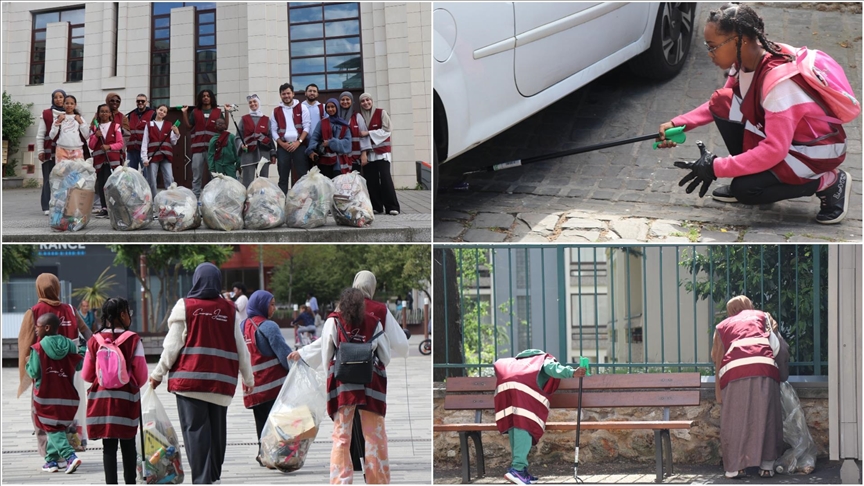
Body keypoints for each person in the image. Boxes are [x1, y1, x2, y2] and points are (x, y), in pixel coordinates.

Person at [658, 3, 852, 224]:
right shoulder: (744, 62)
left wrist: (716, 167)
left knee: (745, 190)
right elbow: (721, 104)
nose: (709, 53)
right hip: (789, 142)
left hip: (815, 151)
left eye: (713, 46)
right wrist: (678, 124)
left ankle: (830, 182)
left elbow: (774, 150)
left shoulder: (779, 87)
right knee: (722, 101)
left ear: (741, 41)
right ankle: (756, 176)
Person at [149, 262, 254, 485]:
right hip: (221, 384)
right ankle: (213, 476)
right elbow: (240, 346)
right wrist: (248, 378)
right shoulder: (228, 309)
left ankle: (203, 480)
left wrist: (157, 374)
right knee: (217, 434)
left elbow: (172, 346)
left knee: (195, 432)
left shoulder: (185, 306)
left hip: (190, 383)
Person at [290, 287, 403, 484]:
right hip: (370, 386)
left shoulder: (333, 321)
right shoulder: (373, 322)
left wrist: (332, 376)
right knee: (374, 437)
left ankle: (341, 481)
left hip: (343, 387)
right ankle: (378, 481)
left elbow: (326, 354)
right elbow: (385, 356)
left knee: (341, 437)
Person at [17, 273, 93, 465]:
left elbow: (25, 344)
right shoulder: (70, 309)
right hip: (71, 372)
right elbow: (88, 335)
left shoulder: (34, 312)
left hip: (45, 373)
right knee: (67, 412)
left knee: (43, 413)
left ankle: (52, 457)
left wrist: (27, 366)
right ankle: (66, 449)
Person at [712, 295, 789, 479]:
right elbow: (781, 348)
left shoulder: (722, 326)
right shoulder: (763, 317)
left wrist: (719, 390)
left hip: (734, 373)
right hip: (765, 369)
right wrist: (783, 375)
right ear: (749, 305)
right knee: (767, 415)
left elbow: (717, 356)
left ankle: (735, 467)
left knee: (734, 419)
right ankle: (767, 466)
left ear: (731, 310)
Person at [493, 350, 586, 485]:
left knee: (514, 425)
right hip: (524, 390)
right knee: (523, 424)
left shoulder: (515, 362)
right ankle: (518, 469)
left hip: (504, 391)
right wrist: (572, 372)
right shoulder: (542, 359)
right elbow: (553, 369)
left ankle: (521, 470)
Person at [82, 298, 148, 484]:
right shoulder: (133, 340)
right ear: (122, 314)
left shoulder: (94, 340)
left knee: (108, 446)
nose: (130, 316)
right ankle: (130, 482)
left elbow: (87, 375)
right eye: (129, 312)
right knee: (128, 444)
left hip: (102, 402)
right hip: (126, 401)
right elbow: (141, 376)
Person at [27, 312, 87, 474]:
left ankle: (70, 457)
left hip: (46, 397)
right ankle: (51, 461)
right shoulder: (69, 344)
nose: (35, 329)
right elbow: (79, 366)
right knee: (58, 427)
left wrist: (27, 363)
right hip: (67, 395)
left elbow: (34, 372)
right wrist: (83, 349)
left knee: (51, 427)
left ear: (47, 327)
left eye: (38, 326)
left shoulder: (38, 348)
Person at [240, 290, 292, 466]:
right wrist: (297, 369)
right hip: (273, 386)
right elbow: (284, 354)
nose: (274, 308)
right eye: (271, 304)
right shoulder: (269, 327)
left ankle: (263, 454)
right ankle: (277, 455)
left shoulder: (243, 326)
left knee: (261, 421)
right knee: (277, 422)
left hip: (253, 387)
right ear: (262, 305)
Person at [358, 93, 400, 215]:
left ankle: (392, 206)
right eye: (362, 101)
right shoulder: (360, 116)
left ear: (372, 101)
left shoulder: (381, 112)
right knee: (372, 180)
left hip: (382, 153)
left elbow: (387, 130)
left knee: (386, 178)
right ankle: (377, 206)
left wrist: (369, 133)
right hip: (369, 154)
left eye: (368, 100)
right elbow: (359, 135)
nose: (365, 103)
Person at [182, 90, 230, 197]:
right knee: (196, 177)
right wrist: (184, 113)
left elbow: (225, 126)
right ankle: (196, 199)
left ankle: (214, 199)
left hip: (213, 150)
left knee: (214, 176)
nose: (206, 97)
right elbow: (188, 127)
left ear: (211, 98)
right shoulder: (195, 112)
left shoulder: (217, 112)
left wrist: (226, 111)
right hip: (197, 149)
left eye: (208, 96)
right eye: (203, 96)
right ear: (200, 98)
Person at [270, 83, 311, 192]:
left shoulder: (302, 108)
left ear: (293, 94)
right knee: (283, 178)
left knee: (302, 176)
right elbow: (273, 130)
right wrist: (282, 144)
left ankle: (302, 201)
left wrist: (298, 142)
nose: (286, 96)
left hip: (300, 146)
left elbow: (307, 126)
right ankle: (283, 203)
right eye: (283, 94)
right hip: (283, 148)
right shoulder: (275, 111)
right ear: (280, 95)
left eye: (288, 93)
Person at [89, 104, 125, 218]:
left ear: (110, 114)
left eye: (106, 111)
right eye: (102, 111)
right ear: (98, 114)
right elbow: (91, 145)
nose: (104, 114)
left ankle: (114, 206)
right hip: (100, 161)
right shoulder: (95, 128)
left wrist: (109, 147)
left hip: (112, 161)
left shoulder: (116, 126)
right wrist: (96, 136)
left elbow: (120, 143)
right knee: (101, 184)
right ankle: (104, 207)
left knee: (112, 184)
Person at [36, 89, 67, 215]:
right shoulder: (47, 114)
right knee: (48, 179)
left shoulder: (70, 113)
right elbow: (40, 134)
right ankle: (46, 206)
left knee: (63, 179)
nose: (58, 99)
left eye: (61, 97)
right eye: (56, 97)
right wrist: (40, 150)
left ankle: (62, 204)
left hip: (64, 151)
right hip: (49, 151)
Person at [305, 98, 353, 178]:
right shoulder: (322, 123)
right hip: (325, 162)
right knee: (326, 187)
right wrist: (311, 151)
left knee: (339, 187)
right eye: (328, 107)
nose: (330, 109)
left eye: (333, 107)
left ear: (337, 107)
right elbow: (314, 138)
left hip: (341, 162)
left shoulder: (344, 125)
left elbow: (348, 144)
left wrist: (330, 143)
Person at [141, 104, 181, 198]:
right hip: (153, 156)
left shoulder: (169, 125)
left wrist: (177, 133)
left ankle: (170, 200)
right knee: (152, 180)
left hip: (166, 155)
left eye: (164, 111)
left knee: (169, 178)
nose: (162, 112)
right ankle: (154, 201)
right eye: (160, 110)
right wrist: (144, 158)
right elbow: (145, 142)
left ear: (166, 114)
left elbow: (173, 141)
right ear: (156, 110)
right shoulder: (149, 125)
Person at [236, 94, 274, 187]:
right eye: (250, 102)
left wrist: (273, 154)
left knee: (263, 182)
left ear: (259, 103)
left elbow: (270, 137)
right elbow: (237, 136)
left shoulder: (266, 120)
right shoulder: (244, 119)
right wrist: (241, 145)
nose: (252, 104)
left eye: (254, 101)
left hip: (264, 154)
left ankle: (262, 200)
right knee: (247, 182)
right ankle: (248, 200)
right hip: (248, 154)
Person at [48, 95, 89, 164]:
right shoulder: (59, 118)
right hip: (61, 149)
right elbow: (51, 136)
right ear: (63, 104)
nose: (69, 105)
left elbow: (87, 135)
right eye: (67, 103)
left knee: (76, 173)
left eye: (71, 103)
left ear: (75, 105)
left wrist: (81, 122)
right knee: (61, 172)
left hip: (77, 149)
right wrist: (58, 122)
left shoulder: (79, 118)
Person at [338, 91, 369, 173]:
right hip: (339, 157)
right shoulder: (336, 117)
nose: (345, 102)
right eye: (342, 99)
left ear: (352, 101)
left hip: (355, 158)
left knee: (354, 183)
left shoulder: (357, 117)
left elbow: (364, 136)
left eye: (347, 99)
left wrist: (364, 154)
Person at [125, 94, 155, 174]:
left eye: (143, 101)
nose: (140, 102)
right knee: (131, 174)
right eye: (138, 101)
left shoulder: (152, 114)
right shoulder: (131, 115)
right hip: (131, 149)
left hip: (145, 150)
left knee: (146, 174)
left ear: (146, 102)